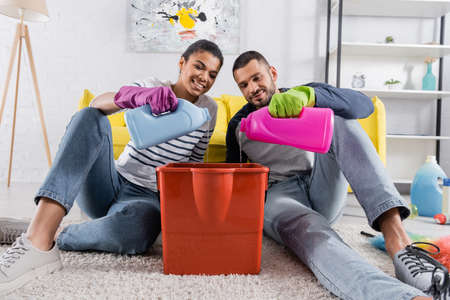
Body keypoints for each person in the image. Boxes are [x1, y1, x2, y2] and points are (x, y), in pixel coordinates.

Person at [0, 39, 223, 296]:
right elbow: (97, 102)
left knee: (139, 232)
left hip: (147, 198)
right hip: (111, 182)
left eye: (212, 74)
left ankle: (53, 231)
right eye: (199, 66)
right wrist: (138, 97)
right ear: (182, 63)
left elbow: (192, 166)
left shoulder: (209, 110)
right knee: (89, 116)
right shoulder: (153, 86)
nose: (204, 77)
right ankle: (36, 240)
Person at [226, 50, 448, 300]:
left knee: (341, 119)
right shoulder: (238, 124)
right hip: (280, 197)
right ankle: (401, 296)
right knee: (314, 233)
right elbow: (234, 181)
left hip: (321, 184)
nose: (252, 88)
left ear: (273, 73)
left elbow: (363, 106)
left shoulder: (304, 94)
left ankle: (398, 242)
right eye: (243, 85)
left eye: (257, 78)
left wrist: (310, 96)